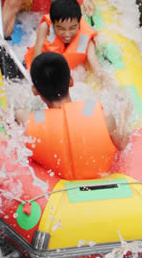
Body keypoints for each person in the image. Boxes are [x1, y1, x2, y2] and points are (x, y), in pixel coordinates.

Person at [15, 52, 128, 180]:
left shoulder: (30, 126)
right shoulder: (103, 115)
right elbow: (122, 144)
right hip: (104, 183)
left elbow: (20, 115)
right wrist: (123, 112)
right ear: (71, 81)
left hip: (58, 192)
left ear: (35, 90)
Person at [24, 0, 106, 83]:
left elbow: (95, 64)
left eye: (72, 28)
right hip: (45, 68)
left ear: (79, 24)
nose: (67, 34)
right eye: (61, 29)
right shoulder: (45, 27)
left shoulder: (85, 38)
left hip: (69, 76)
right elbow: (37, 58)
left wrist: (108, 87)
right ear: (53, 24)